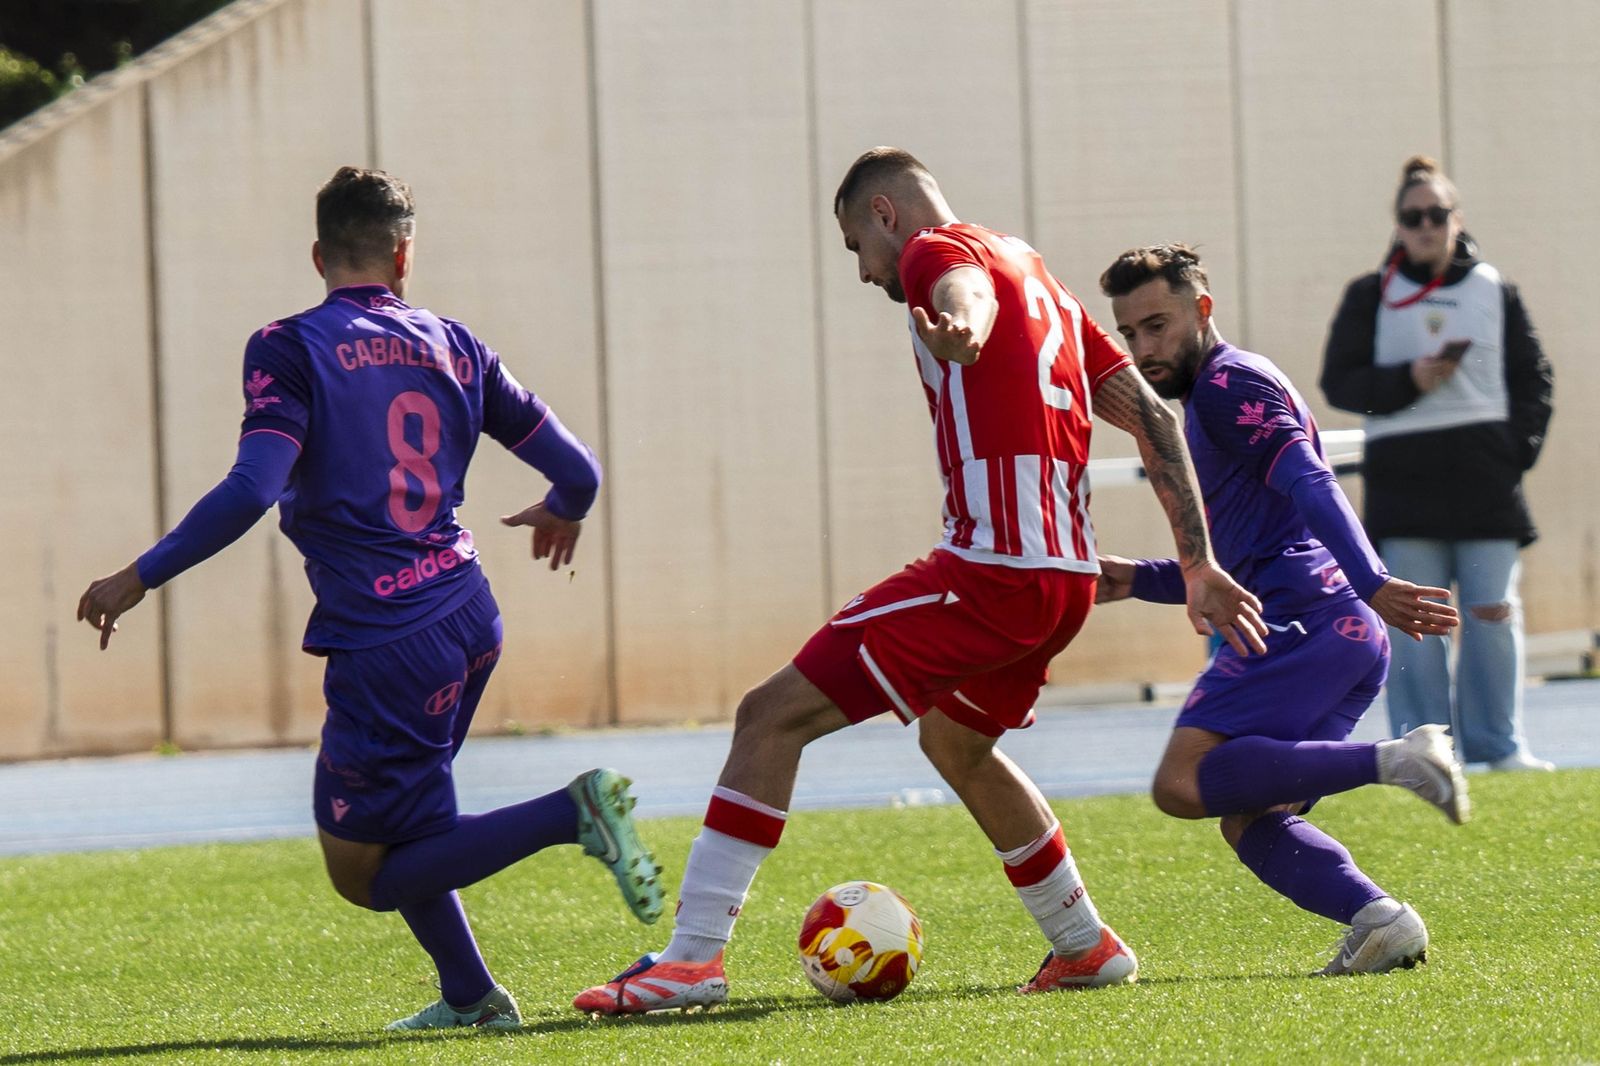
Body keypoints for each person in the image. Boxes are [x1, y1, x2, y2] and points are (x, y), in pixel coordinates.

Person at [572, 147, 1268, 1014]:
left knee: (769, 714)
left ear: (887, 215)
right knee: (956, 743)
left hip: (990, 574)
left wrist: (963, 327)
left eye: (855, 244)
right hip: (1062, 584)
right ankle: (1084, 945)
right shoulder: (1038, 275)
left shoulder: (941, 254)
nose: (864, 271)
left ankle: (692, 959)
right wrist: (1198, 561)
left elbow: (958, 292)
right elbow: (1154, 417)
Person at [76, 166, 664, 1032]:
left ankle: (571, 814)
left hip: (388, 638)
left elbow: (251, 489)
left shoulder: (289, 347)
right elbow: (578, 472)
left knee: (364, 873)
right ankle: (472, 998)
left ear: (318, 253)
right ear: (404, 256)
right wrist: (564, 512)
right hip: (467, 612)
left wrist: (140, 574)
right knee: (412, 829)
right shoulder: (457, 344)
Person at [1095, 243, 1468, 976]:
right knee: (1252, 819)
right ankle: (1380, 920)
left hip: (1307, 618)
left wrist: (1372, 579)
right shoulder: (1211, 398)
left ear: (1202, 310)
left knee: (1181, 782)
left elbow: (1309, 481)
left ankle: (1398, 759)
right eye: (1129, 333)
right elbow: (1249, 551)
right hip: (1333, 629)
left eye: (1157, 325)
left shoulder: (1228, 385)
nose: (1144, 348)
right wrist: (1135, 578)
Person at [1319, 155, 1555, 772]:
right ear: (1398, 225)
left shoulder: (1494, 290)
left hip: (1485, 486)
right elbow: (1338, 382)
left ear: (1457, 218)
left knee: (1492, 615)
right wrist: (1408, 380)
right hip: (1405, 488)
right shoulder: (1369, 295)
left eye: (1437, 214)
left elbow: (1535, 382)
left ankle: (1499, 748)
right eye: (1413, 216)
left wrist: (1512, 455)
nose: (1426, 226)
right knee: (1415, 626)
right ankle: (1427, 751)